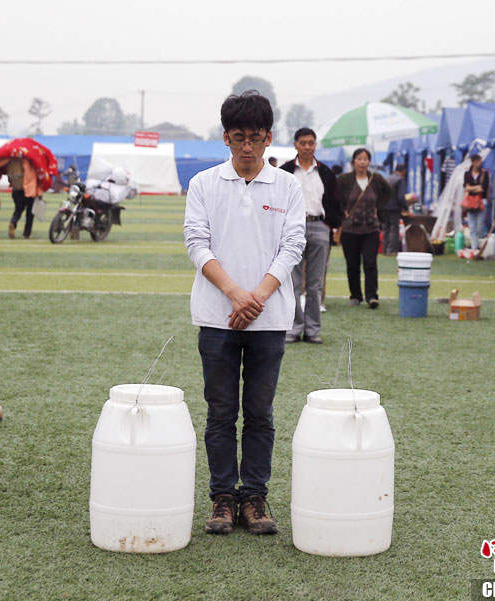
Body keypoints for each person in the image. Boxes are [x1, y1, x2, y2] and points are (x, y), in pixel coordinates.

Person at [184, 91, 305, 535]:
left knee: (259, 412)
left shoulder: (288, 186)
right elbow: (197, 244)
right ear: (226, 139)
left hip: (269, 320)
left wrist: (258, 296)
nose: (248, 147)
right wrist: (236, 294)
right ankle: (221, 498)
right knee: (220, 412)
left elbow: (293, 245)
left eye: (256, 138)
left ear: (269, 138)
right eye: (239, 138)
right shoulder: (204, 184)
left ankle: (254, 496)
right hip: (217, 315)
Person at [279, 127, 343, 344]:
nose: (307, 147)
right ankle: (294, 328)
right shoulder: (285, 171)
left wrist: (332, 225)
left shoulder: (326, 173)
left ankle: (313, 330)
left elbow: (335, 203)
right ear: (295, 144)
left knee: (315, 284)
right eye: (303, 143)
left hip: (319, 227)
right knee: (292, 282)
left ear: (315, 145)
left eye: (311, 143)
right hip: (292, 229)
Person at [336, 148, 392, 309]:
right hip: (349, 230)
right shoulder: (344, 179)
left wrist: (379, 208)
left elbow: (388, 193)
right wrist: (342, 212)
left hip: (371, 229)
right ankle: (355, 295)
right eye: (359, 158)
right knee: (352, 264)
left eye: (366, 159)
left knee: (370, 262)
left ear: (369, 162)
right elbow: (334, 197)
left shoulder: (376, 178)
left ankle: (372, 296)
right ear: (353, 161)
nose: (362, 162)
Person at [464, 153, 489, 250]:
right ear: (473, 162)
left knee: (480, 226)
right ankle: (475, 248)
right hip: (470, 203)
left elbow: (483, 188)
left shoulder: (484, 174)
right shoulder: (467, 174)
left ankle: (483, 241)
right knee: (472, 226)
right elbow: (466, 188)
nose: (479, 163)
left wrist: (471, 188)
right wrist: (476, 187)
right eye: (477, 161)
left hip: (481, 202)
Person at [383, 164, 409, 255]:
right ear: (404, 171)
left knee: (385, 228)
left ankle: (384, 249)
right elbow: (401, 197)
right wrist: (406, 208)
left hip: (384, 207)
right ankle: (392, 250)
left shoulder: (387, 178)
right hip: (394, 208)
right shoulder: (400, 180)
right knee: (394, 228)